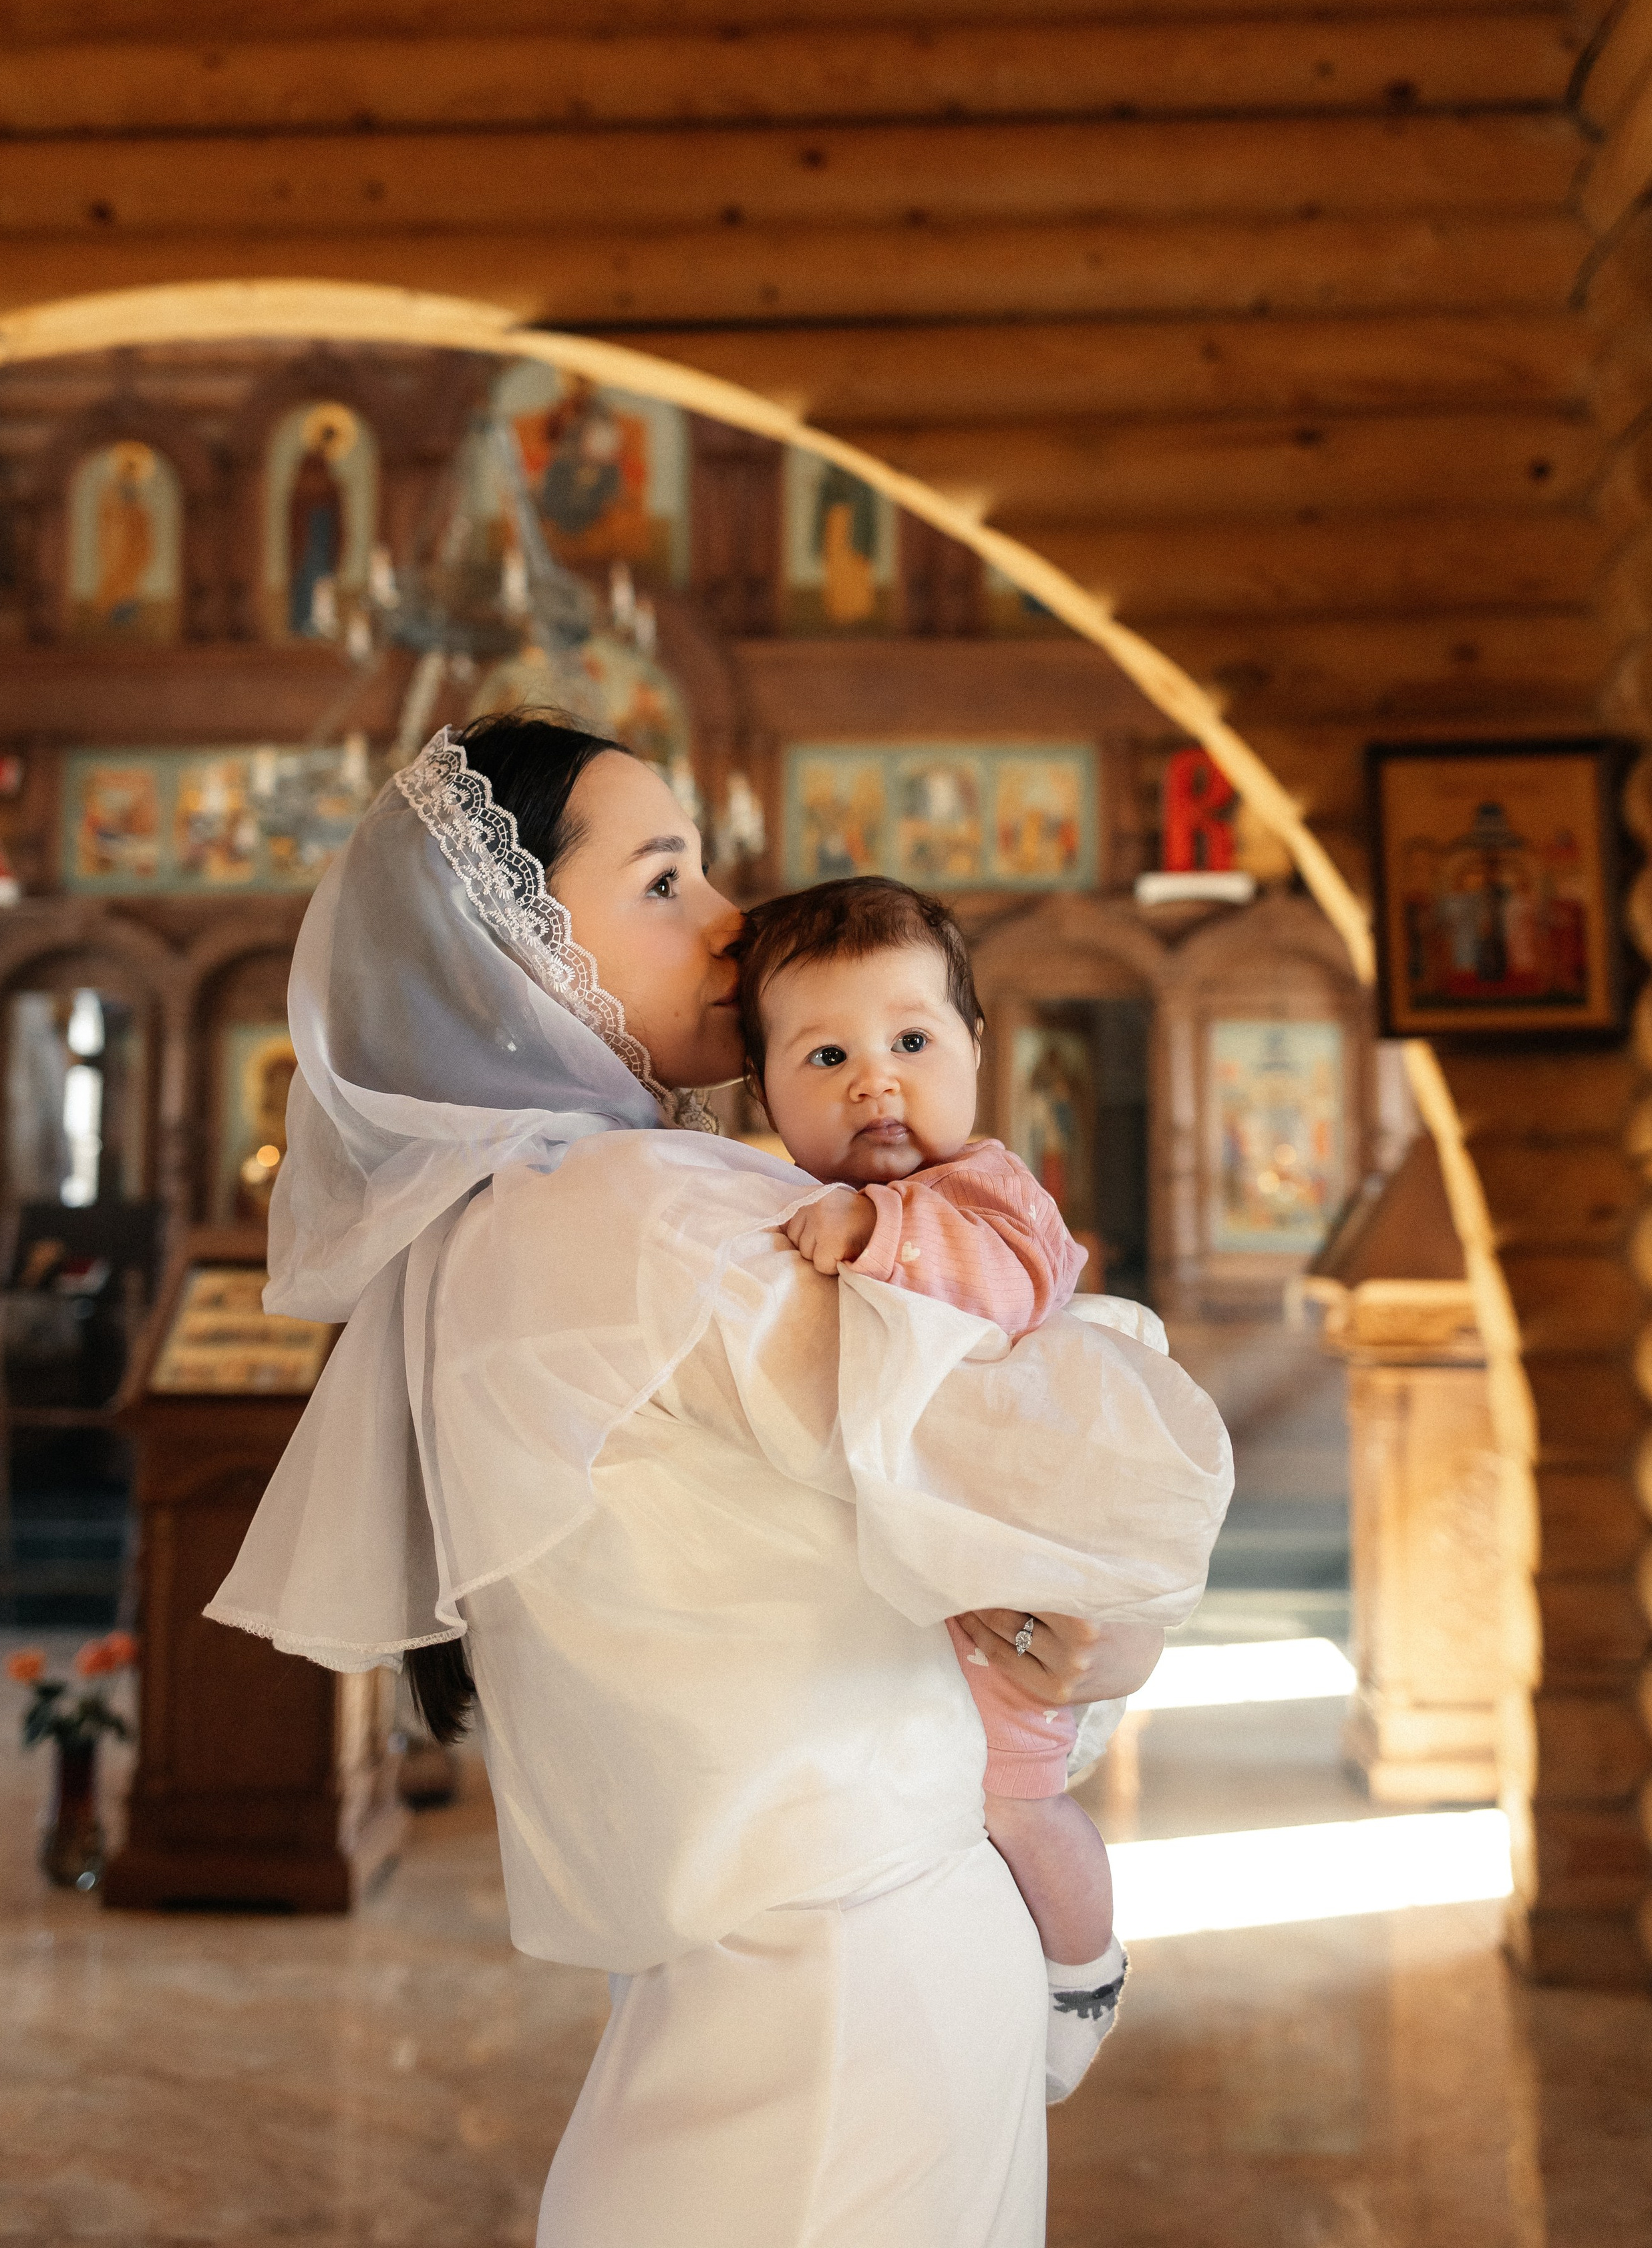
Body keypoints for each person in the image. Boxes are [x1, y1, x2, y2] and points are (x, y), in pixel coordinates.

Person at [206, 713, 1231, 2248]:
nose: (732, 921)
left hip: (784, 1961)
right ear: (514, 947)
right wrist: (1104, 1587)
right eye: (664, 880)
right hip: (845, 1973)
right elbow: (1100, 1479)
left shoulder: (497, 1216)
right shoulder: (635, 1211)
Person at [736, 877, 1126, 2104]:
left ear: (975, 1049)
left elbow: (1009, 1285)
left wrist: (876, 1235)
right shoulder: (789, 1200)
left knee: (1015, 1798)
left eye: (912, 1041)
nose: (876, 1083)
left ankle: (1086, 1971)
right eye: (827, 1056)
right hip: (928, 1568)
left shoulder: (984, 1192)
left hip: (1019, 1568)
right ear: (764, 1095)